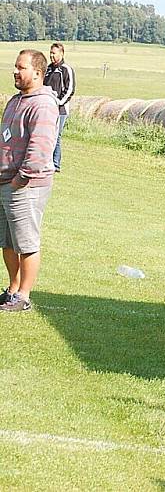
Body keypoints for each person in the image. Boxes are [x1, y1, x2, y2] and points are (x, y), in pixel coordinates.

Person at [0, 50, 59, 312]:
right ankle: (12, 290)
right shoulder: (15, 100)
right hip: (5, 181)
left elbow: (39, 150)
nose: (15, 71)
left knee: (26, 242)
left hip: (25, 186)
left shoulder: (43, 104)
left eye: (20, 67)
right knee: (8, 241)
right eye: (15, 66)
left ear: (37, 72)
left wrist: (19, 180)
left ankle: (23, 297)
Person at [43, 42, 75, 172]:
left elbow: (70, 90)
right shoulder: (48, 69)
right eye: (50, 52)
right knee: (46, 135)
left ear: (61, 54)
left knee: (55, 136)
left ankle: (55, 164)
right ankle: (46, 161)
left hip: (60, 110)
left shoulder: (66, 69)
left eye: (54, 53)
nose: (51, 55)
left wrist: (58, 103)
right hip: (46, 108)